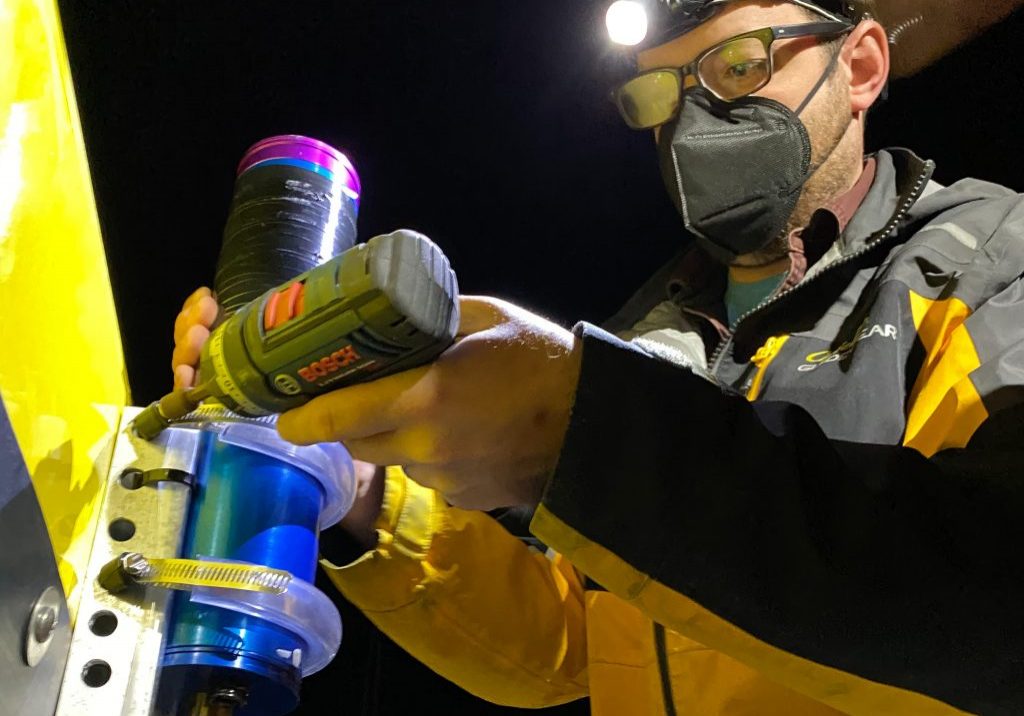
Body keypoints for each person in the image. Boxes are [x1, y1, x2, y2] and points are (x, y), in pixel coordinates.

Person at [172, 1, 1024, 713]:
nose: (696, 123)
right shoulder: (657, 336)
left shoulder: (994, 261)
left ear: (863, 67)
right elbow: (569, 643)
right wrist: (362, 479)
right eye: (663, 93)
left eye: (737, 68)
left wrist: (590, 438)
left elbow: (990, 604)